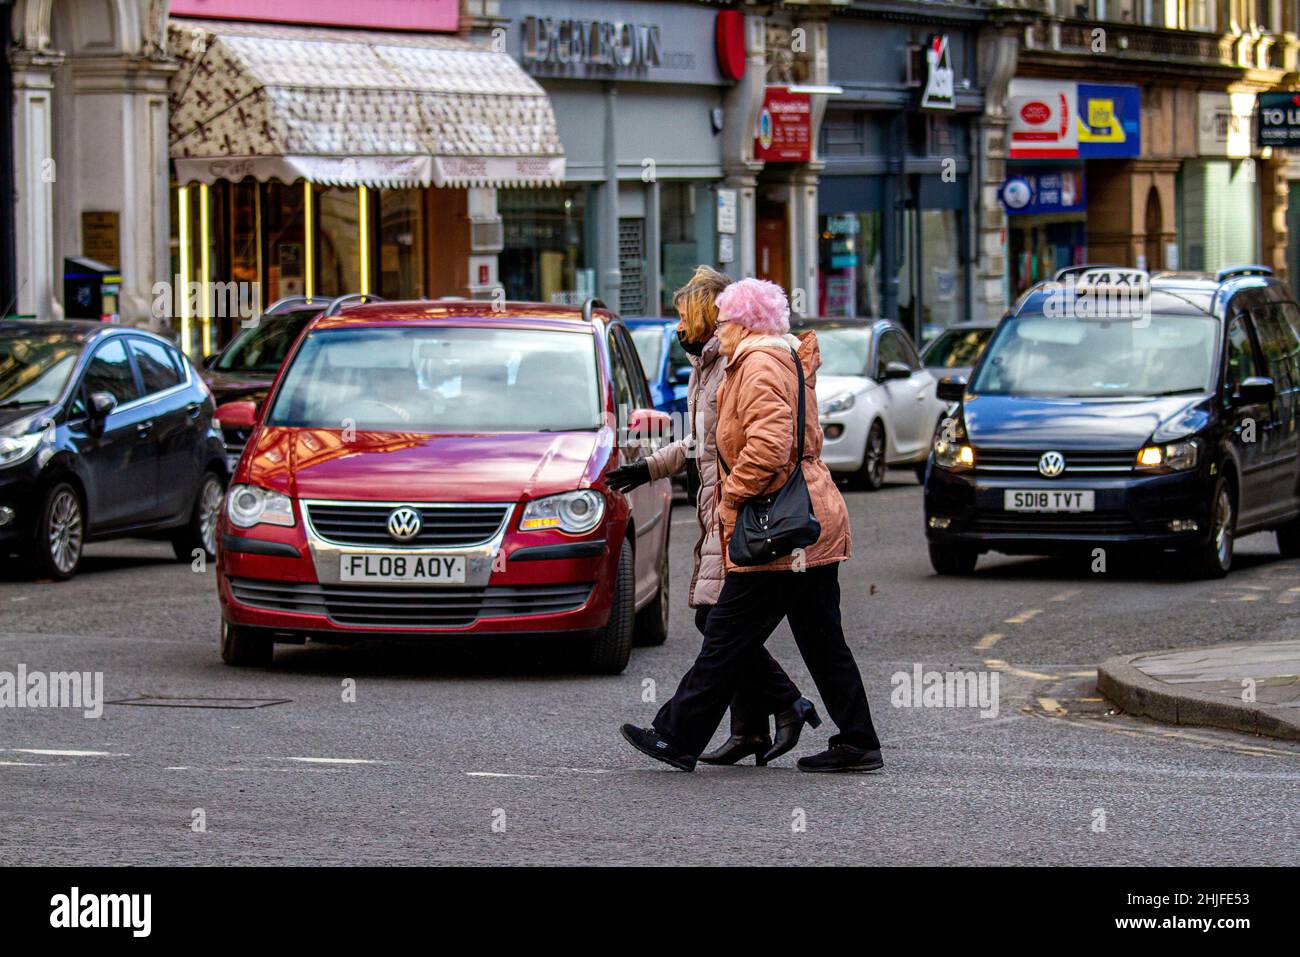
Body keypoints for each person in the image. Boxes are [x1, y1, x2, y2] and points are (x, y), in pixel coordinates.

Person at [620, 277, 883, 773]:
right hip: (807, 522)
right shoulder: (766, 358)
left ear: (744, 322)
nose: (719, 330)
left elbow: (768, 445)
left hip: (777, 529)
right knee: (822, 643)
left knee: (723, 637)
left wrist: (732, 499)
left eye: (724, 321)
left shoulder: (758, 363)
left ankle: (677, 736)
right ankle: (857, 740)